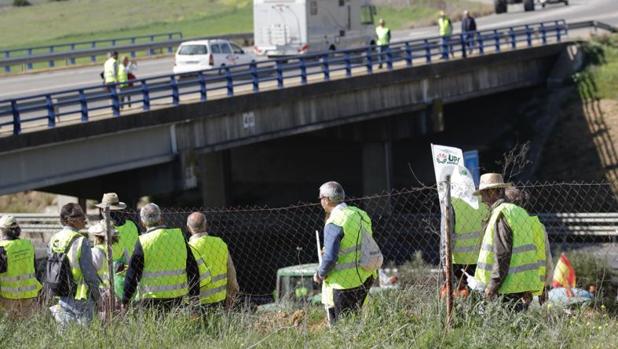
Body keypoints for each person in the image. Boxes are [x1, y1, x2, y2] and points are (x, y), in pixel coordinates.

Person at [473, 174, 545, 311]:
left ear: (492, 191)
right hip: (521, 286)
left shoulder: (501, 214)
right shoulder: (520, 213)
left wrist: (492, 286)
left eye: (483, 194)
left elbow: (502, 254)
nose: (482, 199)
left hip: (504, 288)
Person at [313, 181, 375, 325]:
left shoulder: (334, 221)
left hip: (343, 285)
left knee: (341, 329)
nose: (320, 201)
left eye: (321, 198)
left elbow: (329, 258)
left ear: (327, 199)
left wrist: (320, 274)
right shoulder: (360, 214)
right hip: (365, 276)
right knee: (358, 323)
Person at [122, 203, 199, 310]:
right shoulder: (178, 236)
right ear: (161, 218)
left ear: (142, 222)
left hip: (150, 301)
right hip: (177, 299)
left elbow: (133, 273)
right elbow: (192, 268)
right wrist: (194, 296)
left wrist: (126, 299)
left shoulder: (143, 242)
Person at [47, 203, 101, 326]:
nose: (85, 219)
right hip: (81, 296)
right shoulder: (81, 241)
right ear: (72, 220)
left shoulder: (54, 239)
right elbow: (89, 274)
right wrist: (98, 297)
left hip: (61, 294)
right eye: (82, 216)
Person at [186, 212, 239, 311]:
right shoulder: (220, 243)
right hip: (220, 300)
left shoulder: (188, 248)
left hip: (198, 302)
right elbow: (231, 274)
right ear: (206, 225)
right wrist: (232, 294)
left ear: (188, 228)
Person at [0, 215, 42, 319]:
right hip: (29, 293)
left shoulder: (2, 248)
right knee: (27, 326)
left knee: (12, 328)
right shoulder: (28, 244)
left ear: (2, 230)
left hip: (8, 296)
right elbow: (35, 268)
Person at [89, 220, 129, 300]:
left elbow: (90, 273)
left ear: (97, 236)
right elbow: (128, 264)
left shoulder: (96, 251)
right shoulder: (122, 248)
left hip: (103, 291)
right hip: (119, 289)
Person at [96, 193, 140, 259]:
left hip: (109, 267)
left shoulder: (100, 228)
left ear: (103, 210)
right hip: (131, 265)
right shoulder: (132, 225)